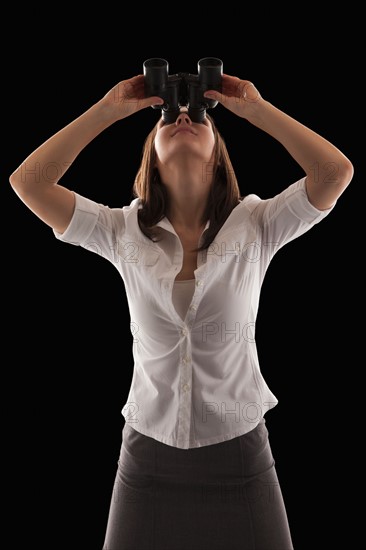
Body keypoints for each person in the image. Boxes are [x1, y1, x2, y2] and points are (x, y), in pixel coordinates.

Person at [9, 70, 353, 550]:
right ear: (151, 154)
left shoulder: (257, 225)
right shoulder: (120, 231)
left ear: (218, 159)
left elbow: (335, 173)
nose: (185, 118)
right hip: (148, 457)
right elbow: (28, 182)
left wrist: (254, 108)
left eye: (199, 117)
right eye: (170, 115)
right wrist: (109, 109)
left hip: (240, 455)